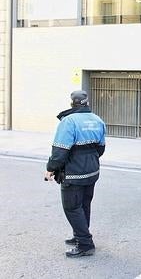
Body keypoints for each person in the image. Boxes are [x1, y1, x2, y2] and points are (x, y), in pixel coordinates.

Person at [44, 90, 106, 258]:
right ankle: (80, 234)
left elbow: (60, 150)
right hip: (92, 170)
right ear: (87, 102)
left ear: (72, 103)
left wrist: (51, 168)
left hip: (73, 172)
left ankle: (85, 244)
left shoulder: (69, 121)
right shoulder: (97, 119)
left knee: (72, 207)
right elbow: (101, 148)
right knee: (84, 204)